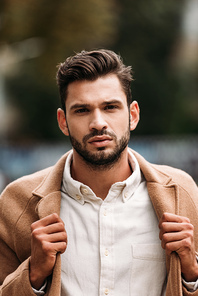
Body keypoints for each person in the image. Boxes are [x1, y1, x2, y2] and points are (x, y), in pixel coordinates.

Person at [0, 49, 198, 296]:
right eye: (82, 110)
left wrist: (191, 273)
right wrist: (34, 275)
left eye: (110, 107)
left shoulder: (182, 194)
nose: (98, 123)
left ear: (132, 115)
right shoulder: (16, 203)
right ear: (63, 122)